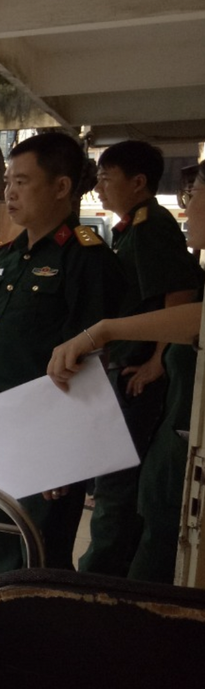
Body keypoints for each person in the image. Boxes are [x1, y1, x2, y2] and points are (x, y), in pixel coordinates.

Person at [0, 132, 124, 576]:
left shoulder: (86, 258)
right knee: (2, 546)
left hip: (47, 428)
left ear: (61, 187)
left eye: (22, 182)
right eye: (8, 181)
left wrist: (63, 452)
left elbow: (94, 361)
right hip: (0, 422)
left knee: (42, 558)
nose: (9, 192)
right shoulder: (9, 256)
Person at [49, 162, 205, 583]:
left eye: (193, 195)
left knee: (120, 491)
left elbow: (182, 297)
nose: (187, 208)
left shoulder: (151, 226)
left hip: (143, 384)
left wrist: (154, 359)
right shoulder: (129, 228)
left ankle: (102, 582)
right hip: (129, 373)